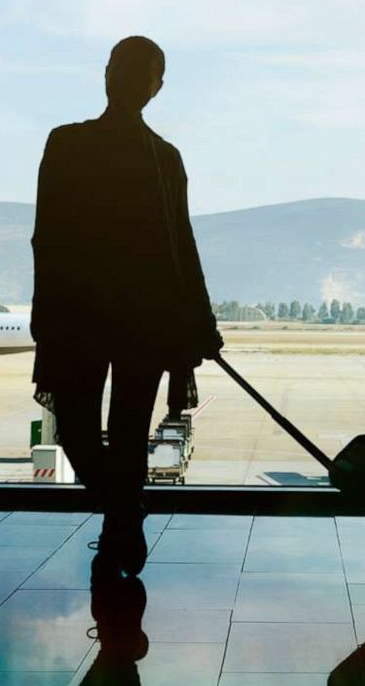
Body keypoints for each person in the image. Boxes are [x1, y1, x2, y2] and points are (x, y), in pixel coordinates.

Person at [30, 35, 223, 575]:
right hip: (141, 319)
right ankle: (125, 513)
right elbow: (181, 247)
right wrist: (198, 318)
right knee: (125, 431)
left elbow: (48, 236)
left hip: (87, 316)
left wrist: (46, 310)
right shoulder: (162, 159)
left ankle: (122, 517)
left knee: (81, 430)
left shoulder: (68, 144)